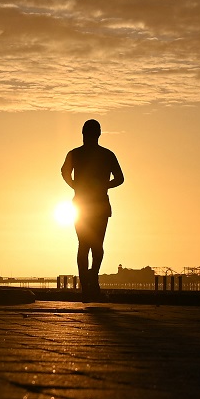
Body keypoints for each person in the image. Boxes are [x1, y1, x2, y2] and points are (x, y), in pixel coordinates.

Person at [61, 119, 125, 300]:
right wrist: (77, 185)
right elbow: (119, 178)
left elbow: (120, 178)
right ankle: (89, 283)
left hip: (91, 204)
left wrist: (76, 185)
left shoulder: (101, 155)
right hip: (89, 204)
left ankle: (89, 281)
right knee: (92, 245)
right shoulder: (98, 154)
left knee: (89, 246)